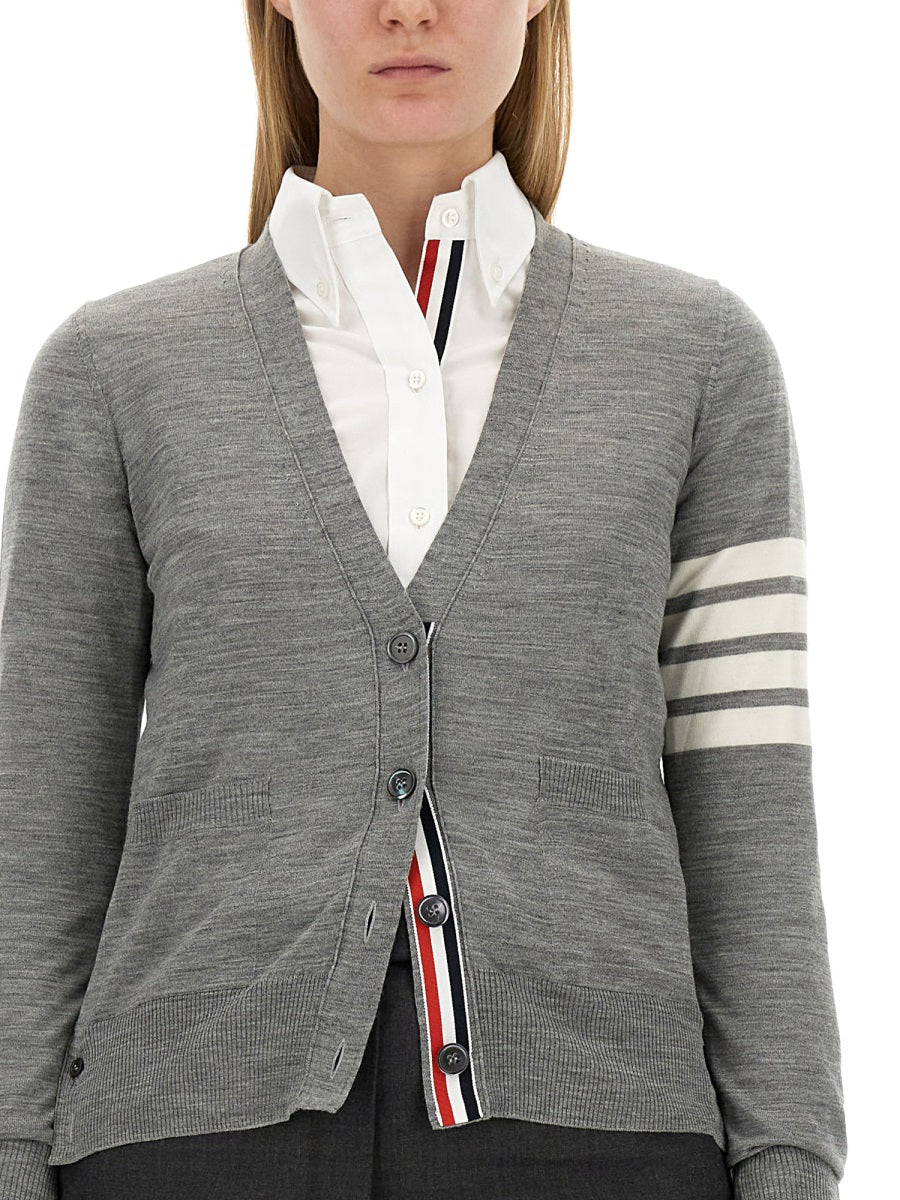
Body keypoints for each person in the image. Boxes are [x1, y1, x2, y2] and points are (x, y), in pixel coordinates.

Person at [0, 2, 847, 1199]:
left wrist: (789, 1162)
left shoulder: (698, 362)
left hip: (603, 1140)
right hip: (187, 1138)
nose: (409, 9)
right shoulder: (112, 371)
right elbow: (42, 815)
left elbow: (748, 807)